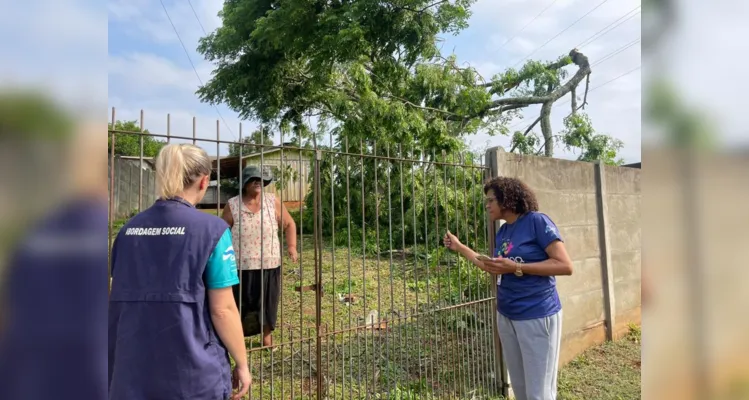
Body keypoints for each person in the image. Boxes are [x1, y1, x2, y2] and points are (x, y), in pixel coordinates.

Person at [108, 143, 251, 400]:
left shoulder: (127, 231)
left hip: (130, 370)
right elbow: (223, 309)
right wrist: (242, 362)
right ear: (204, 181)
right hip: (192, 375)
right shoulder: (213, 231)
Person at [443, 176, 573, 400]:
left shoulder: (537, 222)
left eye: (491, 199)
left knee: (539, 392)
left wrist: (517, 267)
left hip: (536, 315)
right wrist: (460, 247)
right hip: (507, 315)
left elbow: (565, 265)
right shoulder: (503, 232)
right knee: (521, 388)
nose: (487, 205)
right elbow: (493, 266)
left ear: (507, 199)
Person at [222, 165, 298, 349]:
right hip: (242, 264)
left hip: (269, 262)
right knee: (242, 302)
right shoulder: (233, 204)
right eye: (253, 179)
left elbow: (289, 224)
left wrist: (292, 247)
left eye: (261, 180)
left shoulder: (273, 201)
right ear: (244, 183)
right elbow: (222, 231)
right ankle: (237, 338)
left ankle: (267, 338)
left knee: (267, 302)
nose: (258, 182)